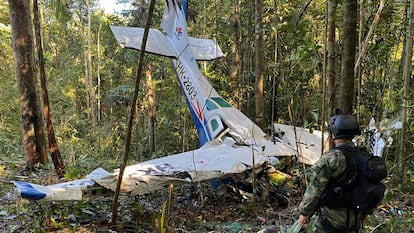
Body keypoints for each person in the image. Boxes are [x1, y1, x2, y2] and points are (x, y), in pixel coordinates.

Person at [298, 112, 364, 233]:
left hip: (332, 219)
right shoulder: (363, 155)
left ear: (334, 133)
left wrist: (304, 212)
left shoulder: (332, 158)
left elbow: (315, 188)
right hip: (356, 218)